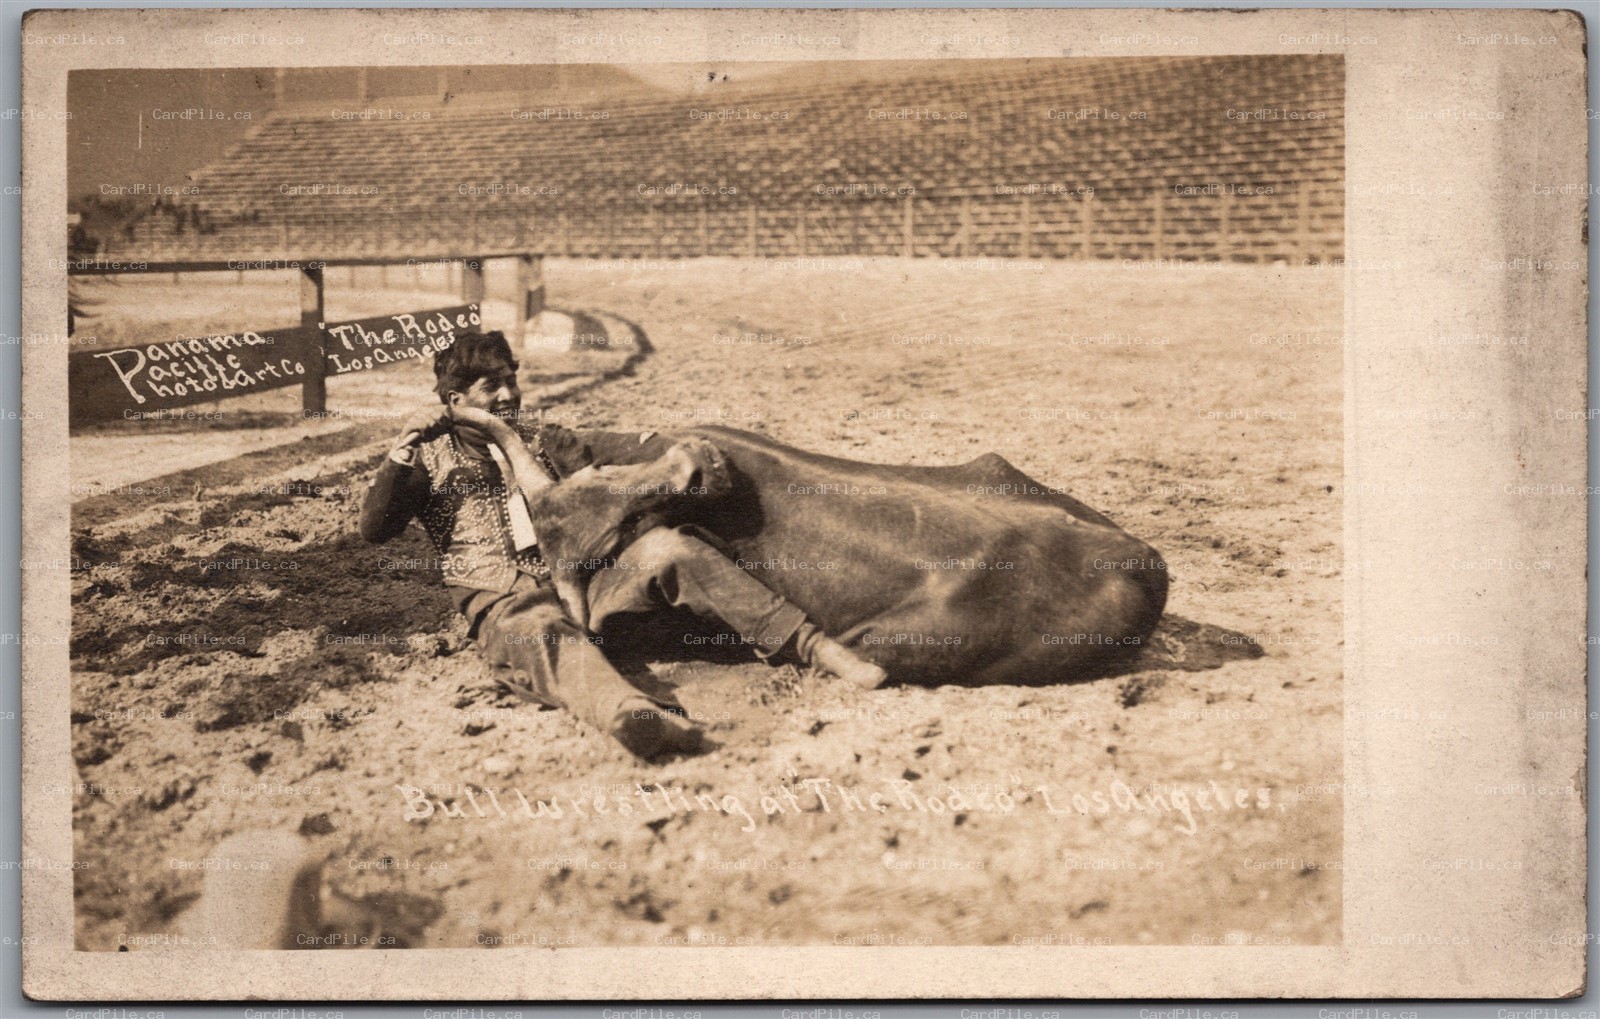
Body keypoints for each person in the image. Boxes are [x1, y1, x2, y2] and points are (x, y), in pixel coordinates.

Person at [359, 330, 885, 758]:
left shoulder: (542, 440)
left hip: (592, 587)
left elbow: (609, 453)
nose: (509, 396)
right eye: (490, 387)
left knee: (670, 549)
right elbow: (374, 530)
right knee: (544, 634)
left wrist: (669, 453)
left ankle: (817, 648)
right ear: (456, 401)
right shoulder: (427, 461)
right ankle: (632, 716)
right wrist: (398, 456)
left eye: (512, 381)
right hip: (504, 599)